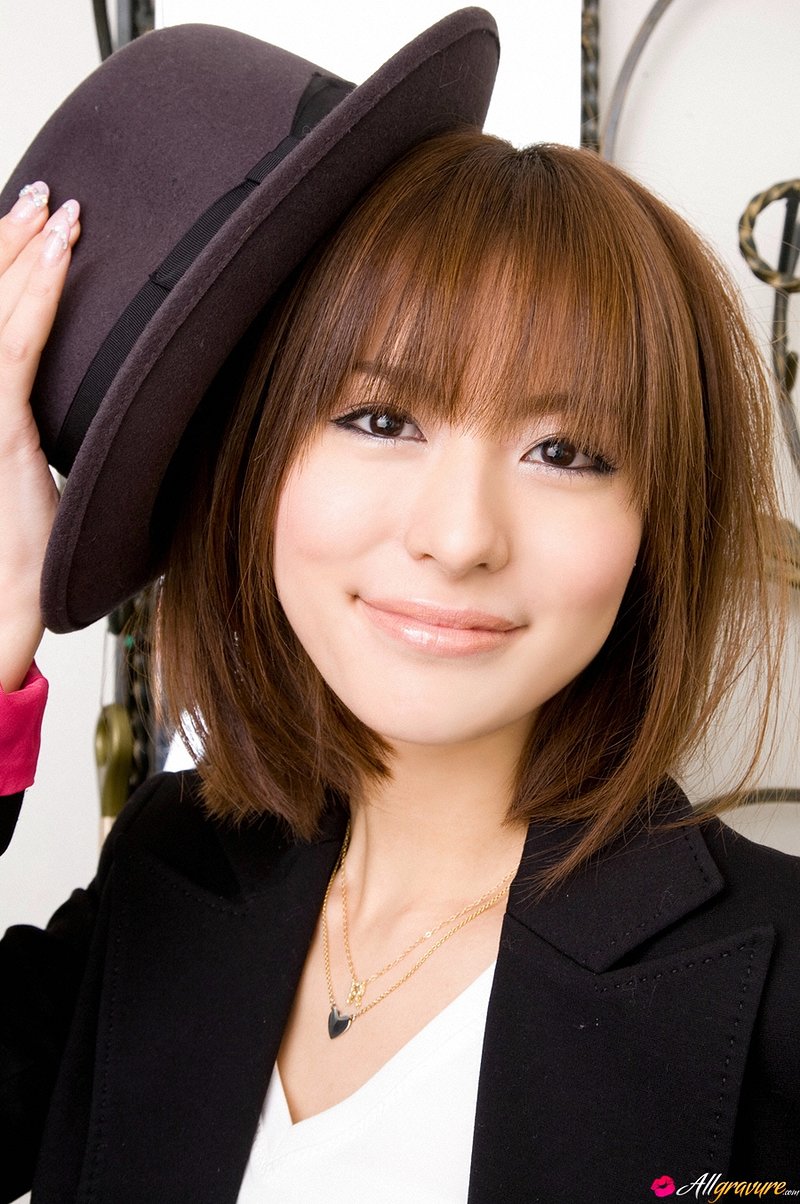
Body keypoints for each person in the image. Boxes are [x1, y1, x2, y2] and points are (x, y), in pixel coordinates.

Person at [1, 11, 798, 1203]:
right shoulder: (169, 872)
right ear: (255, 468)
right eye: (380, 420)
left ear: (654, 523)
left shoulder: (776, 987)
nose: (458, 535)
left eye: (565, 451)